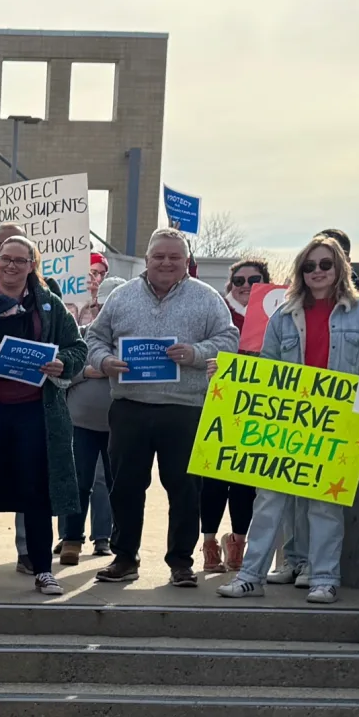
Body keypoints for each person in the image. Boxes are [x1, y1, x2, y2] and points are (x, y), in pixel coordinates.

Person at [218, 235, 359, 606]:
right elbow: (267, 366)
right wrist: (227, 376)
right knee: (269, 500)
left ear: (340, 268)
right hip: (285, 421)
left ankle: (324, 579)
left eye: (325, 264)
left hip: (337, 421)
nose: (317, 272)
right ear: (300, 272)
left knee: (324, 505)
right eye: (309, 266)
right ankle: (250, 576)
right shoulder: (284, 315)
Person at [85, 227, 239, 586]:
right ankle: (124, 558)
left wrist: (197, 353)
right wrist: (106, 361)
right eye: (159, 256)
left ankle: (181, 563)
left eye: (175, 257)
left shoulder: (207, 298)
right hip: (130, 407)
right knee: (124, 486)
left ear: (187, 261)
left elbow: (229, 339)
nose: (167, 262)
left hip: (184, 408)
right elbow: (94, 337)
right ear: (147, 259)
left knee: (185, 488)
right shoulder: (121, 297)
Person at [0, 235, 84, 596]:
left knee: (37, 492)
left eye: (19, 260)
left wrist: (62, 364)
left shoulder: (51, 306)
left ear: (32, 265)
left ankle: (42, 570)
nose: (11, 266)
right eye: (5, 259)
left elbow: (78, 349)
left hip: (35, 414)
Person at [200, 258, 270, 573]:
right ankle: (210, 541)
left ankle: (238, 541)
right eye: (239, 281)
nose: (245, 286)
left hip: (259, 410)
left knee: (245, 481)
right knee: (213, 480)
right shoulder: (219, 312)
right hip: (219, 406)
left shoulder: (277, 314)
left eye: (254, 280)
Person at [60, 290, 114, 564]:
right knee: (78, 482)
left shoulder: (134, 343)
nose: (106, 312)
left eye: (111, 306)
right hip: (80, 423)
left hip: (120, 425)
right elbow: (59, 376)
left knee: (117, 484)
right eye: (101, 306)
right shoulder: (78, 336)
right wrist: (86, 372)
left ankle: (110, 538)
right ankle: (71, 539)